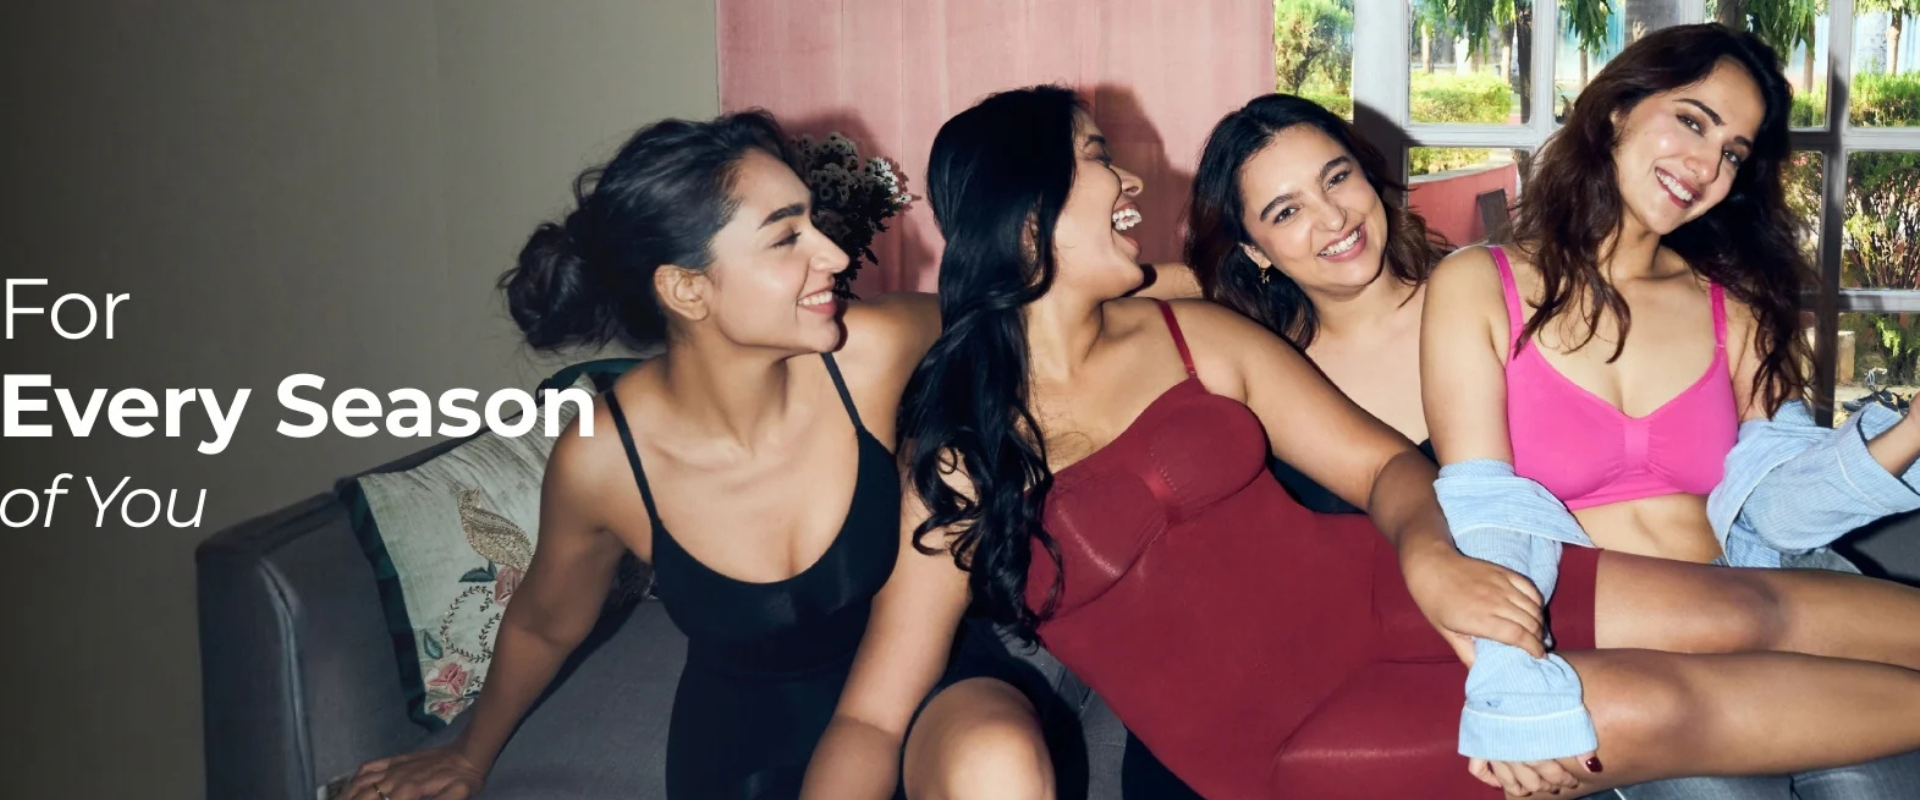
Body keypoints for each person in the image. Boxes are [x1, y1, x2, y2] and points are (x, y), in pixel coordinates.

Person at [804, 82, 1920, 800]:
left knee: (1734, 609)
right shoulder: (959, 449)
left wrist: (1432, 558)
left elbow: (1386, 465)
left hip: (1399, 587)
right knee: (1661, 709)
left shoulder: (1195, 334)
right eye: (1100, 156)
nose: (1132, 177)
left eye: (1337, 179)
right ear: (1029, 207)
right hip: (1288, 730)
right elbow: (871, 709)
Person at [1185, 86, 1920, 798]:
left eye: (1337, 177)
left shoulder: (1492, 290)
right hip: (1507, 653)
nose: (1333, 216)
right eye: (1286, 210)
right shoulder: (1264, 383)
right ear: (1253, 247)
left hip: (1674, 598)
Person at [345, 110, 1051, 800]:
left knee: (998, 769)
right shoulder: (605, 461)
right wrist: (467, 758)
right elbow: (544, 622)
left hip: (924, 687)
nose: (835, 256)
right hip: (748, 745)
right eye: (786, 238)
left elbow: (1033, 324)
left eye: (813, 222)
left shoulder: (874, 351)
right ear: (686, 289)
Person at [1417, 24, 1920, 797]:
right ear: (1619, 108)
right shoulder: (1478, 285)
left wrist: (1915, 428)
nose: (1707, 166)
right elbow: (1486, 507)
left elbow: (1780, 511)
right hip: (1625, 631)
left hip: (1769, 590)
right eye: (1692, 120)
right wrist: (1509, 679)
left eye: (1733, 153)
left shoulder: (1733, 305)